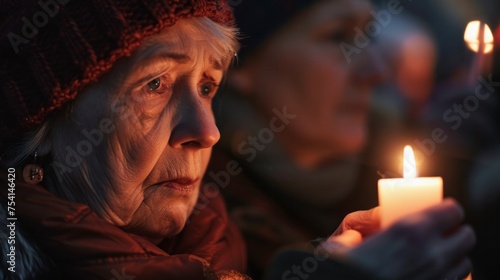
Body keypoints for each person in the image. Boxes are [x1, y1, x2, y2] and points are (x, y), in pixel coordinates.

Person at [0, 0, 474, 279]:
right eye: (155, 85)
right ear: (46, 122)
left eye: (207, 87)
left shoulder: (221, 249)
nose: (207, 131)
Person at [204, 0, 476, 278]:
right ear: (237, 62)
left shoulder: (443, 177)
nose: (377, 71)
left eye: (369, 35)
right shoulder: (198, 235)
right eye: (338, 37)